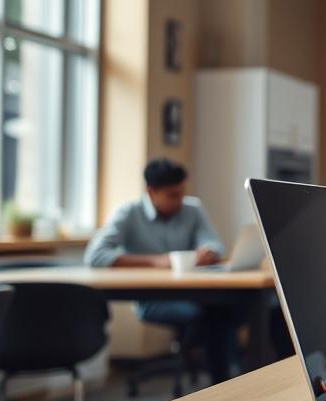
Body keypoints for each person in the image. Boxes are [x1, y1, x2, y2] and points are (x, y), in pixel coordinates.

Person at [85, 158, 242, 384]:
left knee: (228, 310)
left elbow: (215, 244)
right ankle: (223, 380)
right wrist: (156, 262)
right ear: (151, 191)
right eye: (172, 195)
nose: (179, 200)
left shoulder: (192, 209)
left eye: (181, 192)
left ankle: (228, 379)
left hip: (195, 294)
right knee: (216, 317)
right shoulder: (129, 213)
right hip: (153, 299)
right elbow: (95, 256)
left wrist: (209, 252)